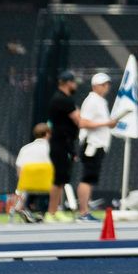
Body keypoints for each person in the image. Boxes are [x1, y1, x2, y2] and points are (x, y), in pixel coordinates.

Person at [74, 71, 117, 221]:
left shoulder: (99, 101)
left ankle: (85, 211)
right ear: (96, 86)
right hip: (92, 144)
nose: (107, 87)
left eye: (108, 84)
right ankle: (83, 212)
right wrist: (106, 123)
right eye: (104, 84)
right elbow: (83, 122)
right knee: (87, 177)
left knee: (90, 178)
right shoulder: (92, 101)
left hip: (97, 144)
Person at [45, 69, 83, 219]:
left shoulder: (62, 99)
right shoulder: (63, 100)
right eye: (73, 82)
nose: (75, 86)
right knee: (58, 179)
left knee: (61, 180)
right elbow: (78, 119)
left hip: (64, 143)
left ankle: (55, 211)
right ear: (68, 83)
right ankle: (51, 212)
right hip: (60, 143)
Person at [13, 122, 53, 221]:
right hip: (46, 185)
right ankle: (45, 212)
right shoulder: (50, 149)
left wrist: (22, 183)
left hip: (27, 185)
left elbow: (19, 169)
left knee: (29, 187)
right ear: (47, 134)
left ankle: (25, 208)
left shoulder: (25, 148)